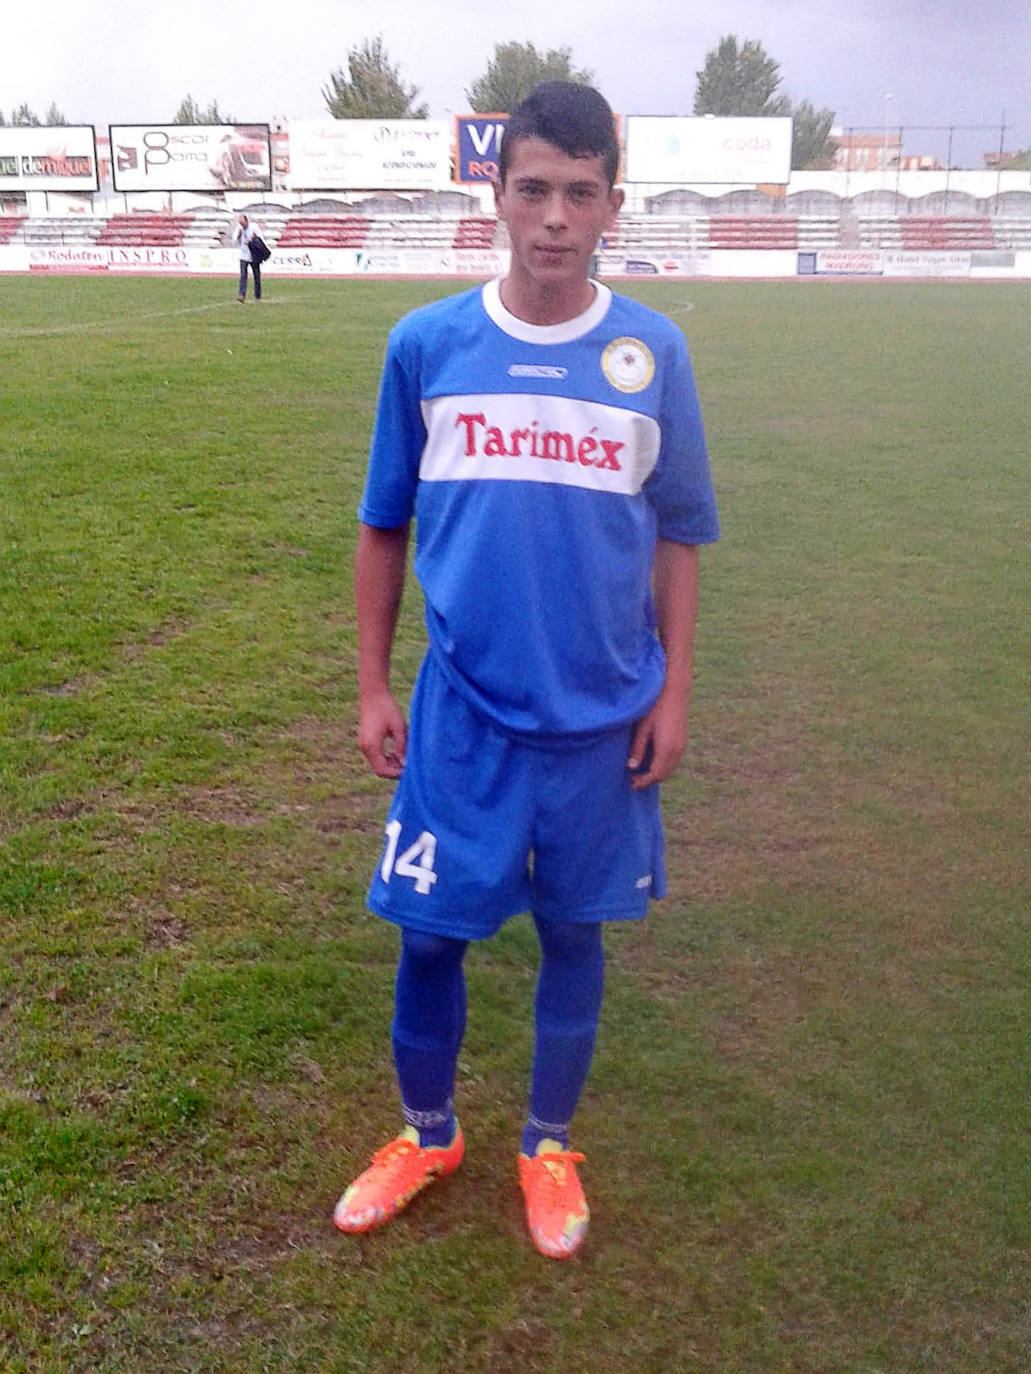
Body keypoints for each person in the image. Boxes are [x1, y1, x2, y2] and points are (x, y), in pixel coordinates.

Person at [333, 81, 720, 1260]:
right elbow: (380, 525)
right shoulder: (428, 346)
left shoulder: (649, 353)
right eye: (533, 189)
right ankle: (429, 1133)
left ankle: (545, 1146)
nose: (554, 215)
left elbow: (681, 531)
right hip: (460, 720)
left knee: (571, 935)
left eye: (580, 192)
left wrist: (675, 691)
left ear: (612, 205)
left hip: (601, 722)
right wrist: (370, 684)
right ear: (495, 195)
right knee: (429, 935)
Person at [230, 212, 261, 302]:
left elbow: (260, 238)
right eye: (240, 223)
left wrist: (253, 239)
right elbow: (234, 241)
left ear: (246, 221)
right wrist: (239, 235)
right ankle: (241, 294)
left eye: (242, 223)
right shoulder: (239, 228)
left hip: (254, 254)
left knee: (256, 276)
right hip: (244, 255)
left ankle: (257, 295)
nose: (241, 225)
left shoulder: (254, 227)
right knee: (243, 275)